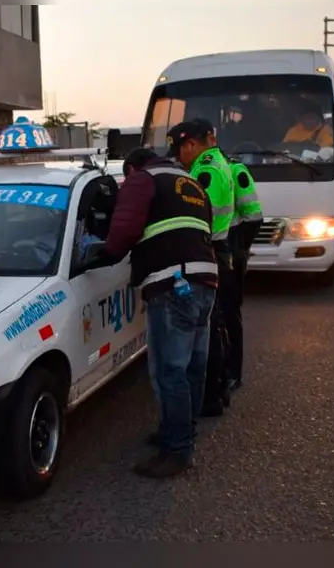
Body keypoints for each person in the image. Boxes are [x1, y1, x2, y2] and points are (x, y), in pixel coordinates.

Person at [81, 146, 217, 479]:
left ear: (131, 167)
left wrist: (105, 254)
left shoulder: (142, 179)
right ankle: (180, 431)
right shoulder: (189, 182)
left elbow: (125, 229)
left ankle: (178, 450)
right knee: (192, 367)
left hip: (172, 285)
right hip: (205, 281)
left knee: (169, 371)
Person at [166, 119, 236, 417]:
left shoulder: (205, 170)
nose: (176, 156)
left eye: (178, 149)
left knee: (208, 329)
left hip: (210, 249)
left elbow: (198, 213)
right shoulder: (218, 162)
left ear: (191, 144)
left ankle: (211, 396)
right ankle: (216, 392)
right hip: (219, 248)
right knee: (214, 324)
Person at [193, 118, 263, 393]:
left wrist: (239, 249)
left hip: (229, 250)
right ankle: (221, 370)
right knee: (218, 313)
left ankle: (233, 371)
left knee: (229, 313)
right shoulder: (201, 169)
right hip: (220, 249)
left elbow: (254, 217)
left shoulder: (235, 170)